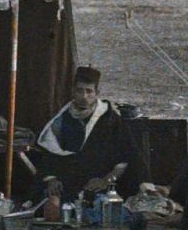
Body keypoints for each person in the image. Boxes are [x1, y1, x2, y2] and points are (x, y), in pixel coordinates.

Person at [24, 65, 139, 200]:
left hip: (100, 182)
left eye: (89, 91)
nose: (84, 96)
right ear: (73, 92)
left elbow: (125, 156)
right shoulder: (63, 118)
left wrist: (105, 180)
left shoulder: (110, 119)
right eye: (79, 91)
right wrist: (52, 179)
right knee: (44, 202)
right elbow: (50, 154)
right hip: (68, 180)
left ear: (97, 93)